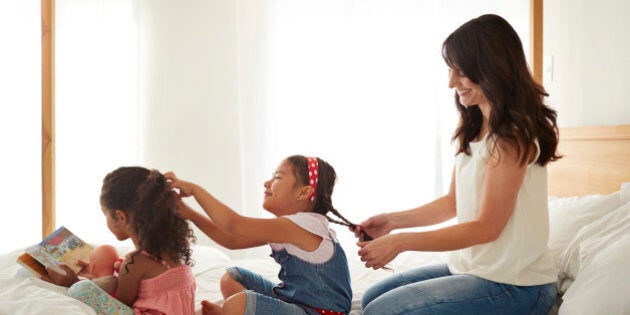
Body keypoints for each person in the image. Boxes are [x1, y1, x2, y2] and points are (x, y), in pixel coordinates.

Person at [353, 14, 560, 315]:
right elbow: (453, 202)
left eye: (461, 72)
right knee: (372, 298)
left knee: (383, 311)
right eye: (451, 70)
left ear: (491, 68)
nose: (451, 82)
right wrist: (393, 221)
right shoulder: (477, 125)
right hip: (476, 270)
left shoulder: (513, 137)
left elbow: (487, 228)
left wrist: (401, 243)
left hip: (516, 285)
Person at [166, 155, 358, 315]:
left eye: (277, 177)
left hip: (318, 312)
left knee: (239, 302)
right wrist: (189, 213)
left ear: (303, 193)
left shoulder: (303, 225)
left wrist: (195, 190)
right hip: (296, 300)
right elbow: (231, 240)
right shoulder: (288, 226)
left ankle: (230, 312)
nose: (267, 182)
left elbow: (233, 224)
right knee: (232, 276)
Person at [44, 166, 197, 314]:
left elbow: (118, 306)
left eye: (106, 215)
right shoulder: (173, 251)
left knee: (81, 288)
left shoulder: (135, 262)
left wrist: (74, 283)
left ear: (121, 217)